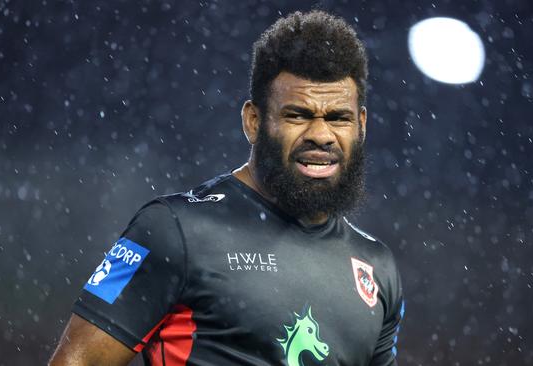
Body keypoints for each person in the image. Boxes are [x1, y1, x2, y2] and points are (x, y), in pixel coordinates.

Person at [50, 10, 404, 366]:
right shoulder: (170, 230)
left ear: (361, 125)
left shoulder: (377, 268)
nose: (321, 135)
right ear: (254, 121)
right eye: (297, 115)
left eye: (337, 118)